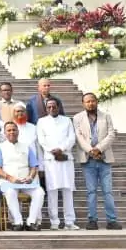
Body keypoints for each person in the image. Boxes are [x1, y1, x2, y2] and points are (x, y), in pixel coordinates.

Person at [73, 92, 122, 230]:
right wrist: (91, 150)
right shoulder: (77, 118)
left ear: (97, 101)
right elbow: (79, 137)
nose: (90, 103)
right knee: (91, 191)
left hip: (104, 158)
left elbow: (111, 134)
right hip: (88, 160)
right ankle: (92, 220)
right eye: (87, 101)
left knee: (108, 191)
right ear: (83, 103)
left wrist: (99, 149)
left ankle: (112, 220)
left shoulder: (106, 116)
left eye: (92, 101)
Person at [0, 121, 45, 231]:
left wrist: (30, 177)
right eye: (9, 130)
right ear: (5, 133)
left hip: (26, 181)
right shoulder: (0, 147)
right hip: (8, 181)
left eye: (14, 130)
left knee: (40, 192)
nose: (12, 132)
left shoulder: (26, 147)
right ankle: (18, 221)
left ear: (18, 131)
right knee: (11, 192)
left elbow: (34, 166)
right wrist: (10, 178)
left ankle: (31, 221)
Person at [37, 98, 79, 230]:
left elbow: (71, 138)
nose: (51, 109)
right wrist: (53, 151)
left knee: (68, 190)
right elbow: (41, 140)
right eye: (48, 107)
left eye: (53, 106)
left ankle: (69, 222)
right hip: (50, 160)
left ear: (58, 107)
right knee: (52, 191)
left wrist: (61, 149)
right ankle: (54, 221)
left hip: (65, 158)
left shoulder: (66, 120)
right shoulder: (41, 121)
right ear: (46, 108)